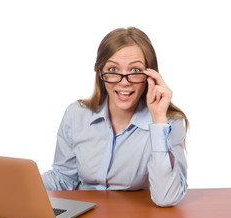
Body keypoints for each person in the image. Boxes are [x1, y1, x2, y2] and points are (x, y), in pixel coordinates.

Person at [41, 27, 189, 207]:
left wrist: (158, 120)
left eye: (135, 69)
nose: (124, 81)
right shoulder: (76, 114)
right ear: (100, 74)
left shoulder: (169, 122)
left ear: (150, 76)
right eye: (113, 69)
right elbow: (63, 178)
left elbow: (167, 198)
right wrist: (19, 187)